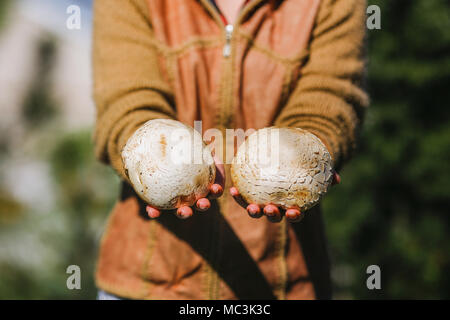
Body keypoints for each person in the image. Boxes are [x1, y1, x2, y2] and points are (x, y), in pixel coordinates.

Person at [93, 0, 369, 300]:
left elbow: (331, 96)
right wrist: (151, 159)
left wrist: (312, 149)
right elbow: (126, 100)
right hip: (148, 284)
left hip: (281, 284)